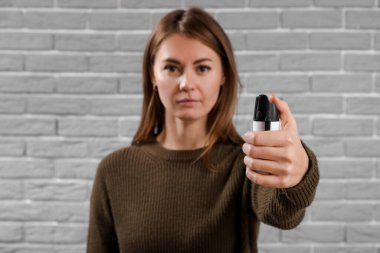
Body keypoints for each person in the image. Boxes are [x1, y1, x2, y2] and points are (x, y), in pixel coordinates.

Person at [86, 7, 319, 253]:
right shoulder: (114, 170)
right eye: (172, 68)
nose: (187, 84)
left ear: (223, 76)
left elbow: (282, 214)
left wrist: (298, 173)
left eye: (203, 68)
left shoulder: (246, 163)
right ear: (152, 75)